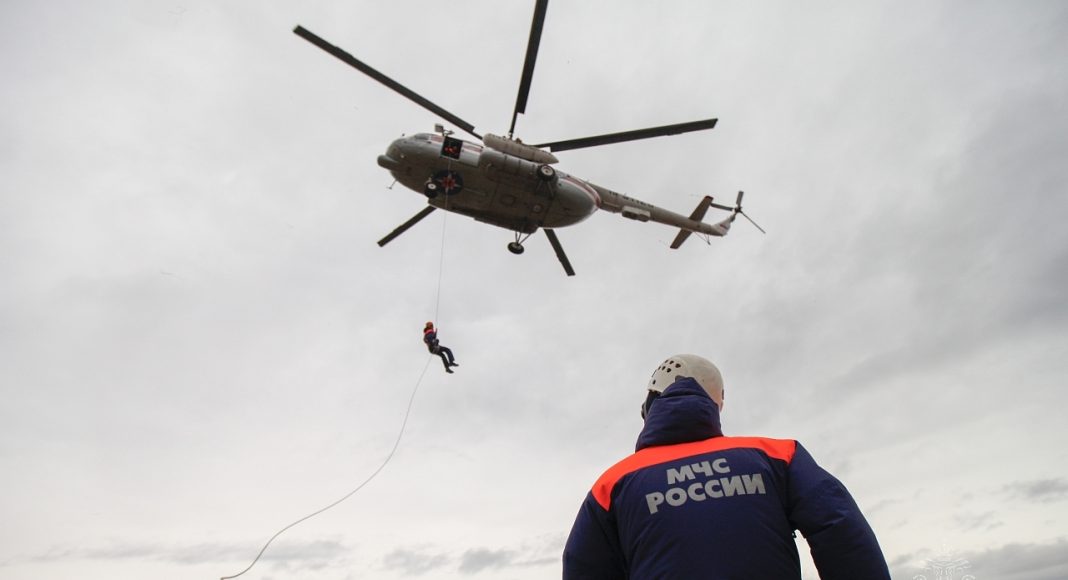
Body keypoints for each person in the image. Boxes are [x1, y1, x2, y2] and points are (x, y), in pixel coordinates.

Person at [562, 354, 890, 579]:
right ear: (716, 404)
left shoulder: (612, 484)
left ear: (649, 405)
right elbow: (842, 531)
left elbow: (584, 568)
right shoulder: (778, 456)